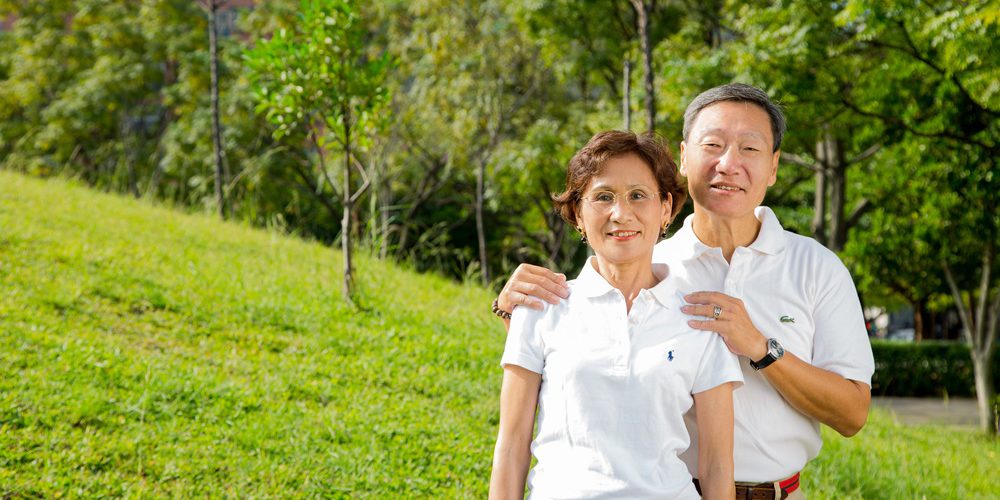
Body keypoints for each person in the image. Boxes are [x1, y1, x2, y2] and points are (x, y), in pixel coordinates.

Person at [492, 83, 875, 499]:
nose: (728, 164)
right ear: (684, 157)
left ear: (774, 166)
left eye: (750, 149)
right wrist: (509, 306)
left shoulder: (816, 268)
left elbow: (853, 414)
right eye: (713, 144)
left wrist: (761, 346)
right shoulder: (648, 259)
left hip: (778, 492)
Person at [488, 131, 742, 499]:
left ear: (665, 209)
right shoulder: (540, 308)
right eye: (603, 197)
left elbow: (717, 466)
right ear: (577, 212)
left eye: (638, 195)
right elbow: (511, 449)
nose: (621, 214)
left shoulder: (700, 319)